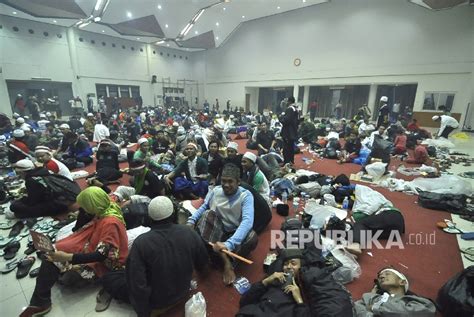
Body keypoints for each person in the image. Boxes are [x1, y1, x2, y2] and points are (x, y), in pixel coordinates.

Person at [19, 187, 128, 317]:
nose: (84, 210)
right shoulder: (106, 206)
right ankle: (41, 300)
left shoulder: (110, 223)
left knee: (65, 277)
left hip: (107, 264)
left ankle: (41, 300)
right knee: (52, 254)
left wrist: (68, 257)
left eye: (85, 206)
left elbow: (101, 255)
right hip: (93, 245)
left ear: (92, 205)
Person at [187, 163, 257, 285]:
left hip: (234, 233)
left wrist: (229, 243)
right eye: (223, 181)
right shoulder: (215, 191)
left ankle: (226, 262)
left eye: (230, 182)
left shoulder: (246, 195)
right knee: (207, 215)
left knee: (252, 237)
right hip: (218, 230)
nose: (226, 185)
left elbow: (247, 221)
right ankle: (223, 259)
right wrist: (191, 221)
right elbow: (204, 206)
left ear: (238, 182)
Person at [237, 249, 311, 316]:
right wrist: (265, 281)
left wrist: (299, 301)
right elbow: (244, 302)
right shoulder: (273, 282)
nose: (288, 266)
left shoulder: (304, 291)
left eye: (293, 263)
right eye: (285, 264)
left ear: (302, 268)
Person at [10, 159, 77, 218]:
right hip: (64, 199)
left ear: (22, 172)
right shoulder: (44, 170)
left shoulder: (30, 180)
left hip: (57, 206)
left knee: (14, 206)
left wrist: (23, 199)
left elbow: (33, 202)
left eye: (18, 173)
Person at [354, 268, 436, 316]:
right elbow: (355, 310)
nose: (382, 276)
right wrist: (372, 296)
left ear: (402, 282)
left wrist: (374, 307)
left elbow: (411, 313)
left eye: (387, 274)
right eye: (380, 277)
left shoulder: (421, 303)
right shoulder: (369, 298)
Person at [280, 96, 299, 165]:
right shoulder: (296, 109)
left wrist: (281, 117)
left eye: (287, 101)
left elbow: (286, 121)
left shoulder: (289, 109)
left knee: (286, 148)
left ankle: (286, 162)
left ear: (290, 101)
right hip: (293, 131)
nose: (286, 102)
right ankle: (291, 160)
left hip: (287, 132)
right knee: (291, 147)